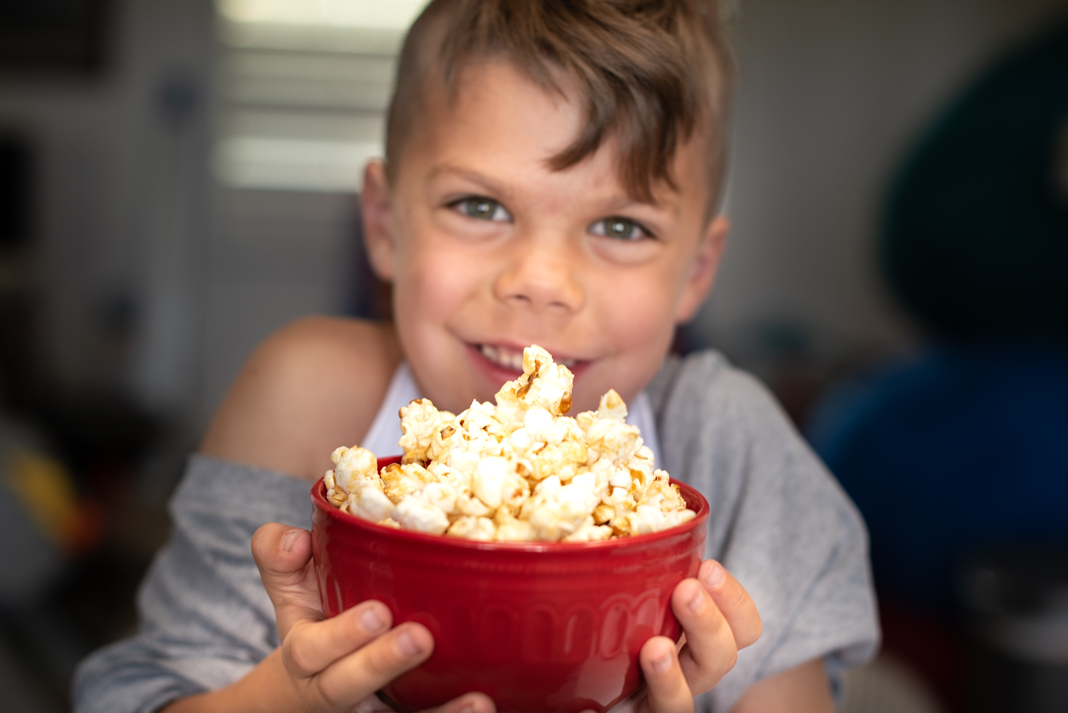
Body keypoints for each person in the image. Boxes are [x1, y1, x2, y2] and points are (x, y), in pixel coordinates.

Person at [73, 1, 878, 712]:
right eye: (480, 205)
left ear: (696, 271)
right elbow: (142, 692)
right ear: (385, 224)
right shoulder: (309, 395)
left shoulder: (732, 447)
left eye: (621, 226)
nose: (542, 281)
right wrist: (292, 699)